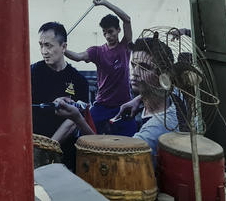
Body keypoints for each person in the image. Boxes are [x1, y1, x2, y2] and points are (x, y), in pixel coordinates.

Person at [56, 36, 181, 164]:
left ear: (164, 76)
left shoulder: (153, 130)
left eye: (144, 67)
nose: (135, 72)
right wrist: (139, 99)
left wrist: (78, 119)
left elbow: (112, 160)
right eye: (133, 65)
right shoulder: (176, 98)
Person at [65, 0, 136, 135]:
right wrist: (63, 49)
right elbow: (78, 57)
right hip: (102, 105)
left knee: (131, 139)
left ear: (118, 30)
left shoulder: (124, 47)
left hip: (123, 105)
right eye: (104, 32)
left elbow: (127, 19)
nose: (107, 36)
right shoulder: (97, 51)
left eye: (110, 31)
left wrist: (105, 3)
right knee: (84, 134)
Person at [30, 22, 90, 170]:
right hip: (33, 148)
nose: (44, 51)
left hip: (64, 153)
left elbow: (74, 120)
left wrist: (47, 149)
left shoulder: (79, 81)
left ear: (63, 47)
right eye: (41, 45)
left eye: (48, 45)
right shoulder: (31, 74)